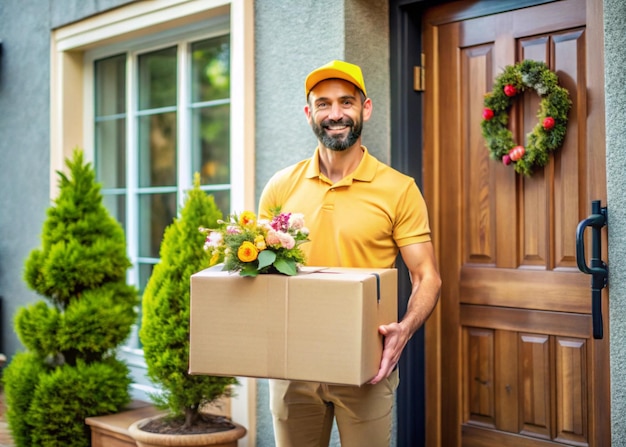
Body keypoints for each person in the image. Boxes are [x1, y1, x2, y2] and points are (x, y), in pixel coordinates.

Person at [257, 60, 441, 447]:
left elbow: (427, 276)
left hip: (366, 364)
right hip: (293, 364)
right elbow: (261, 272)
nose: (335, 114)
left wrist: (404, 330)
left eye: (346, 102)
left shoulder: (398, 189)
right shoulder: (280, 186)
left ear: (365, 108)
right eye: (323, 104)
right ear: (309, 113)